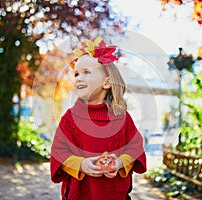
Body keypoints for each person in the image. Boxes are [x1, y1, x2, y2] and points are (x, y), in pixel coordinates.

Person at [50, 36, 147, 200]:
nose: (79, 78)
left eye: (87, 72)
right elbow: (59, 152)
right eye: (76, 74)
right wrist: (81, 165)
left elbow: (135, 148)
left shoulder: (122, 118)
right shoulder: (70, 118)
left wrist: (120, 163)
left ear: (107, 83)